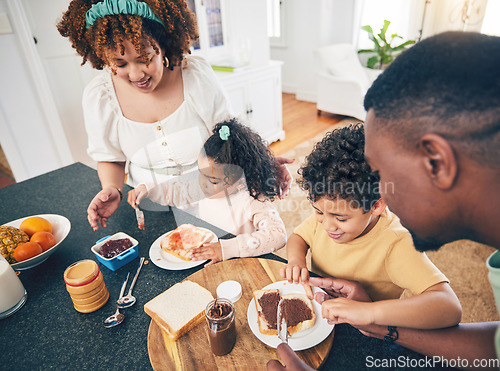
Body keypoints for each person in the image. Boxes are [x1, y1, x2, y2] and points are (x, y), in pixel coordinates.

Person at [268, 31, 500, 370]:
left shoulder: (392, 237)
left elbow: (448, 308)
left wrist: (372, 315)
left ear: (436, 162)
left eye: (380, 170)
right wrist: (375, 322)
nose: (379, 195)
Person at [57, 0, 292, 231]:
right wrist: (112, 188)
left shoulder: (195, 75)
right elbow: (111, 157)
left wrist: (262, 161)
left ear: (163, 43)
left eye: (145, 58)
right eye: (120, 64)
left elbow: (229, 135)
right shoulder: (100, 96)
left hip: (216, 195)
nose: (136, 73)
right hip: (151, 206)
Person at [282, 124, 461, 330]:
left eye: (340, 218)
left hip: (367, 327)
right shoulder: (326, 215)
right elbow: (299, 237)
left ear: (376, 205)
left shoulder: (395, 243)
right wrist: (296, 261)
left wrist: (368, 312)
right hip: (322, 312)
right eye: (319, 211)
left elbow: (449, 307)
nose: (327, 225)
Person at [128, 119, 287, 265]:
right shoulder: (203, 187)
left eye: (212, 180)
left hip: (237, 262)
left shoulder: (253, 200)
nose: (201, 183)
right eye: (200, 173)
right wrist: (147, 189)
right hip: (203, 257)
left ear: (240, 182)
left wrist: (228, 248)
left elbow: (277, 235)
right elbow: (176, 191)